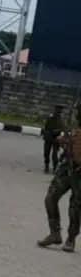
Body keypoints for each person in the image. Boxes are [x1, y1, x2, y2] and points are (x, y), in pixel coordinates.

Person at [37, 106, 81, 253]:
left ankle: (71, 239)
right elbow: (65, 142)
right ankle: (55, 233)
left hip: (79, 173)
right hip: (67, 168)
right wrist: (64, 141)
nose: (76, 114)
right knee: (50, 198)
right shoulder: (74, 128)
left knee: (75, 207)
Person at [42, 105, 65, 173]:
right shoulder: (50, 117)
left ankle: (55, 167)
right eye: (57, 110)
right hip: (48, 137)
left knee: (54, 155)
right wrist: (46, 134)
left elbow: (62, 128)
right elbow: (46, 127)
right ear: (55, 110)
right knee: (46, 152)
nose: (58, 112)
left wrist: (58, 131)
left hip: (56, 138)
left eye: (60, 111)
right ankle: (46, 166)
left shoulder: (61, 119)